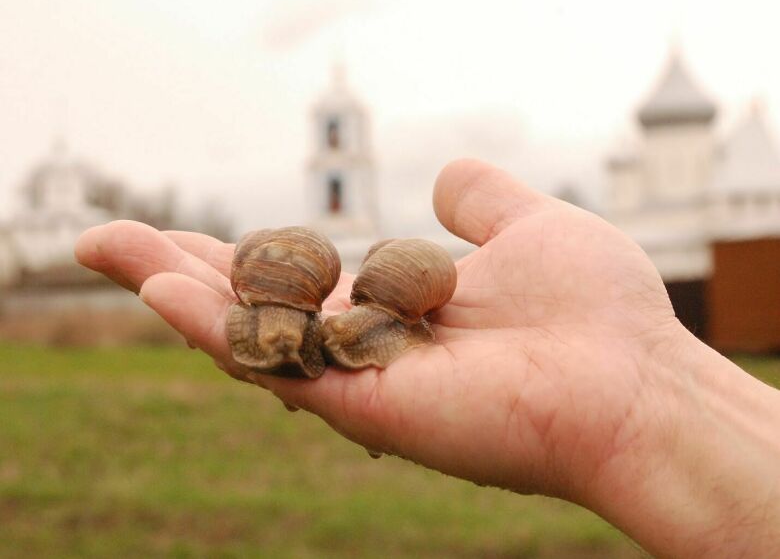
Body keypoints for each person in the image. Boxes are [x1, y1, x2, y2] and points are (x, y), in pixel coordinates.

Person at [75, 159, 780, 558]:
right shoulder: (318, 308)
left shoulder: (378, 308)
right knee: (299, 337)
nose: (322, 330)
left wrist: (649, 380)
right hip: (338, 302)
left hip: (387, 305)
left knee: (331, 338)